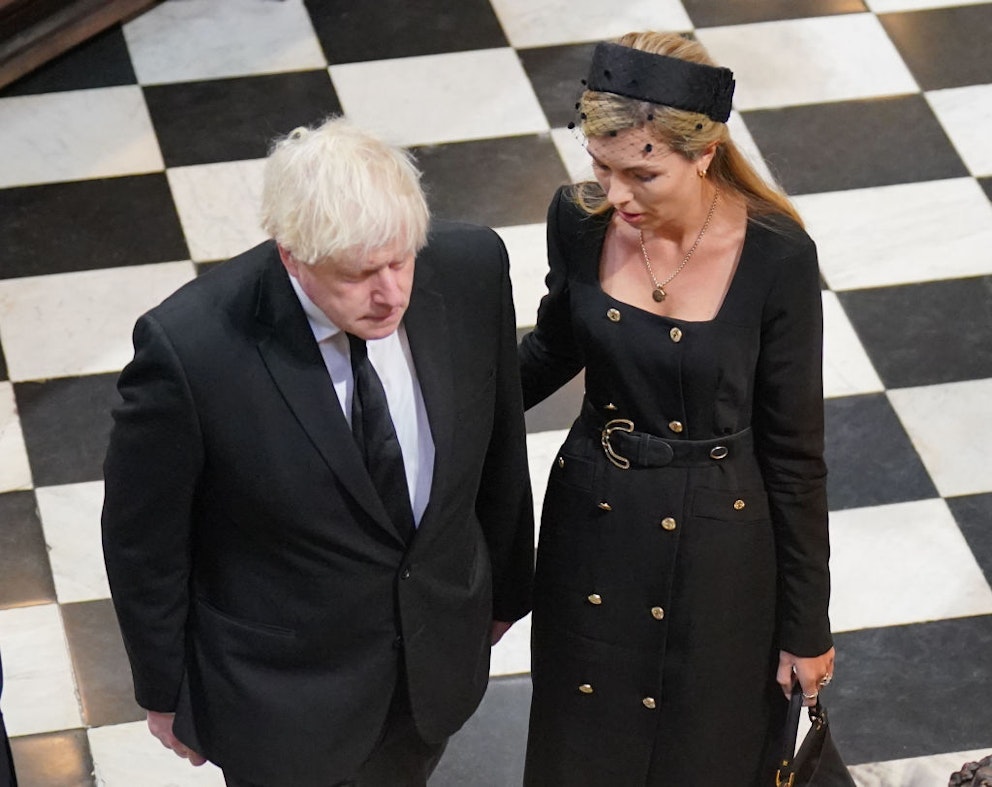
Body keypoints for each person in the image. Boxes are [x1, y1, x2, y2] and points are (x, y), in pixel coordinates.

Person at [101, 117, 534, 787]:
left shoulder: (471, 267)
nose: (390, 293)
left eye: (400, 261)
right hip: (282, 702)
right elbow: (144, 540)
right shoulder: (191, 349)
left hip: (432, 667)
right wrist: (165, 689)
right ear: (292, 255)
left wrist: (505, 590)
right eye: (358, 274)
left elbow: (499, 441)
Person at [519, 32, 835, 786]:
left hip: (721, 545)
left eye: (643, 173)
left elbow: (795, 453)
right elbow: (552, 349)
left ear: (704, 153)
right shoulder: (579, 219)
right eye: (601, 167)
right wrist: (442, 403)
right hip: (592, 518)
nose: (617, 196)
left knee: (705, 747)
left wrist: (806, 626)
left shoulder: (777, 256)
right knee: (582, 740)